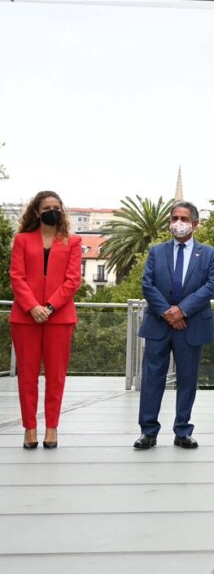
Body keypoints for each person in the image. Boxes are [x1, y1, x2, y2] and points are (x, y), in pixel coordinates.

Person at [134, 201, 214, 450]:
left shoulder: (209, 254)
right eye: (174, 218)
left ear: (195, 223)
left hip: (191, 326)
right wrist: (167, 312)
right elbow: (147, 285)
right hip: (158, 325)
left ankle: (183, 430)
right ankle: (147, 432)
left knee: (187, 380)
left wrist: (182, 311)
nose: (178, 223)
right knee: (152, 379)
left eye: (183, 219)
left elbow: (209, 287)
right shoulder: (156, 251)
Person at [9, 191, 82, 449]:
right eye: (47, 207)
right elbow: (16, 277)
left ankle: (52, 428)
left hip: (60, 318)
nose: (52, 210)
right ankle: (30, 428)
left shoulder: (72, 242)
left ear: (61, 210)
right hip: (25, 318)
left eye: (56, 206)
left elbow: (73, 280)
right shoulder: (22, 240)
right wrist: (32, 307)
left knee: (56, 375)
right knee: (26, 376)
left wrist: (49, 307)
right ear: (37, 212)